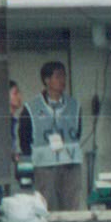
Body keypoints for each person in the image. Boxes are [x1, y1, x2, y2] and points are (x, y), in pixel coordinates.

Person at [21, 61, 84, 212]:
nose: (63, 80)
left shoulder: (74, 105)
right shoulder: (31, 107)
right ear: (47, 80)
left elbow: (78, 132)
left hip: (70, 165)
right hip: (45, 166)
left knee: (72, 208)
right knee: (47, 207)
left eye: (64, 76)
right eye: (58, 76)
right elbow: (24, 137)